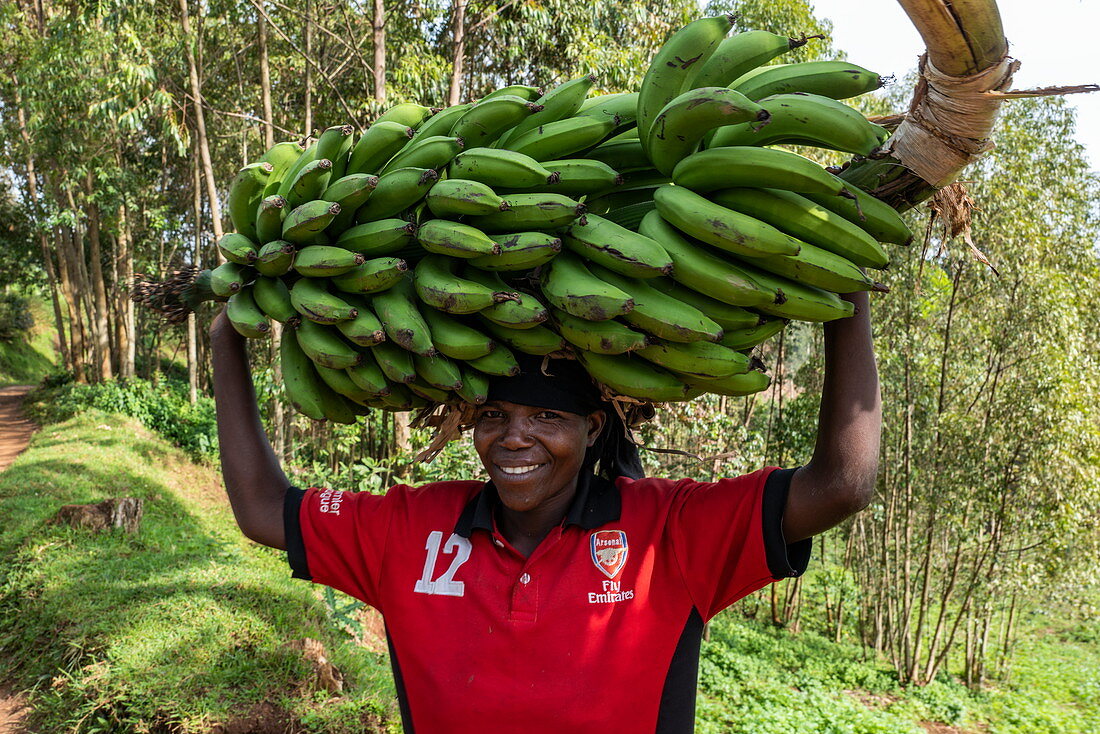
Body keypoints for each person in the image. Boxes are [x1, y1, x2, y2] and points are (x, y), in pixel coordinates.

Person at [210, 289, 880, 734]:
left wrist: (844, 300)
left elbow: (840, 485)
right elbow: (265, 509)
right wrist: (226, 344)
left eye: (547, 417)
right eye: (495, 415)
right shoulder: (412, 530)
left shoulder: (668, 531)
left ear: (592, 428)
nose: (515, 438)